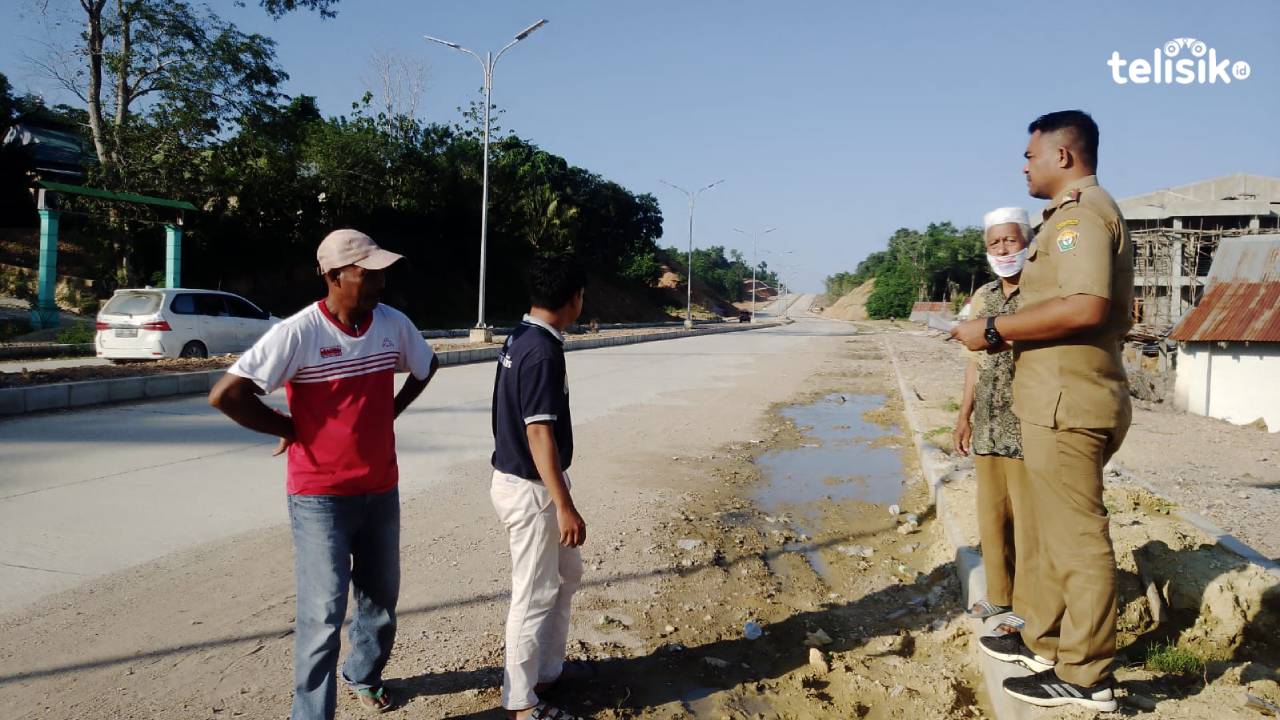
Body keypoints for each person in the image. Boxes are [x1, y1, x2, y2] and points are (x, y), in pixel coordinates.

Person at [209, 229, 439, 719]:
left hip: (380, 489)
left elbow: (426, 365)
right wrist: (289, 428)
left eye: (382, 269)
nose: (380, 279)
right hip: (320, 497)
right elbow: (226, 394)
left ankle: (364, 674)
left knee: (380, 601)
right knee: (322, 615)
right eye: (368, 270)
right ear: (334, 275)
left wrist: (389, 413)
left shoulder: (392, 324)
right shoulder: (298, 333)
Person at [951, 110, 1133, 712]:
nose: (1023, 165)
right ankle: (1049, 642)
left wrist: (994, 330)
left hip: (1067, 401)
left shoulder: (1080, 216)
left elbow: (1084, 305)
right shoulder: (1070, 217)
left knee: (1079, 541)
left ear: (1062, 156)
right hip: (1059, 397)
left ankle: (1087, 676)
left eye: (1030, 155)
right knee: (1057, 537)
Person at [490, 256, 591, 720]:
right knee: (532, 593)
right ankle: (521, 701)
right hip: (532, 489)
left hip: (536, 484)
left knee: (566, 577)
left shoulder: (522, 336)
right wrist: (564, 505)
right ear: (573, 299)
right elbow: (538, 433)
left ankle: (547, 670)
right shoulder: (542, 351)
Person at [954, 207, 1033, 637]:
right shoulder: (983, 297)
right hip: (987, 420)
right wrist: (963, 415)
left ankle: (1028, 604)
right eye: (994, 243)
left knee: (1028, 517)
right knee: (992, 512)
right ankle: (999, 593)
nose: (1003, 250)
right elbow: (973, 364)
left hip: (1027, 423)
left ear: (1026, 241)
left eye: (1010, 241)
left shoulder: (1040, 294)